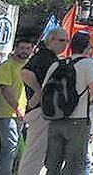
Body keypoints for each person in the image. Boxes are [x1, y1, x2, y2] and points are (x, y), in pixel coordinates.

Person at [42, 31, 93, 175]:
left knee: (53, 165)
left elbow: (44, 89)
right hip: (78, 120)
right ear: (88, 47)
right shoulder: (88, 63)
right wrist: (88, 100)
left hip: (55, 119)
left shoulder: (57, 64)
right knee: (74, 164)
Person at [18, 27, 69, 175]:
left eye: (67, 41)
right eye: (62, 40)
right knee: (34, 153)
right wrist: (39, 92)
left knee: (37, 153)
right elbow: (25, 72)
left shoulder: (48, 57)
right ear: (52, 40)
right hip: (41, 111)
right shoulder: (44, 56)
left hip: (44, 110)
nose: (65, 44)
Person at [0, 38, 32, 175]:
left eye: (27, 48)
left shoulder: (26, 66)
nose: (25, 51)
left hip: (18, 114)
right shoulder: (7, 66)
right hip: (5, 114)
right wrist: (17, 108)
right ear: (16, 48)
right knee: (10, 148)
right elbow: (5, 88)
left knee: (13, 149)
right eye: (22, 48)